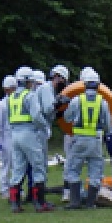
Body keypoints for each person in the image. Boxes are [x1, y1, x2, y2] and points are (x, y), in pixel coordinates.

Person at [63, 67, 112, 209]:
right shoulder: (102, 102)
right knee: (95, 172)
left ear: (83, 84)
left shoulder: (77, 100)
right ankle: (90, 203)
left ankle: (75, 202)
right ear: (98, 85)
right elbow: (108, 125)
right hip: (96, 141)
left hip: (79, 140)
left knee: (73, 170)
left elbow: (66, 118)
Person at [28, 64, 69, 211]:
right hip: (39, 131)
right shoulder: (46, 89)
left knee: (38, 165)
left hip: (38, 130)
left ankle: (36, 199)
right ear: (58, 77)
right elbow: (47, 108)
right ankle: (39, 202)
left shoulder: (47, 90)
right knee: (40, 166)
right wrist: (59, 103)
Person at [7, 65, 38, 213]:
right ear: (26, 82)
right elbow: (37, 116)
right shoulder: (30, 96)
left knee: (18, 168)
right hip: (29, 132)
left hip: (15, 134)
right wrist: (44, 127)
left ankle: (15, 203)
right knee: (38, 166)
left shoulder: (11, 97)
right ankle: (39, 203)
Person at [0, 75, 17, 199]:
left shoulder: (16, 102)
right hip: (5, 138)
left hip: (16, 136)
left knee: (16, 164)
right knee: (6, 164)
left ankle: (15, 188)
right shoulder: (1, 106)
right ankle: (4, 189)